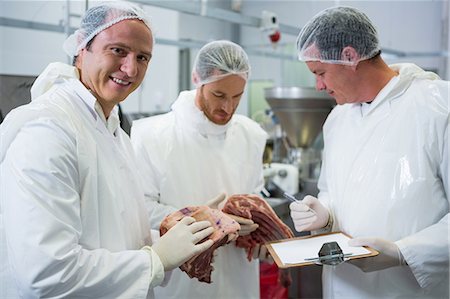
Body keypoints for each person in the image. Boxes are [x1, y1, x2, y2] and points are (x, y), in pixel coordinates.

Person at [0, 2, 215, 298]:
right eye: (118, 50)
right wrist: (155, 259)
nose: (130, 68)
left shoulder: (112, 132)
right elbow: (46, 273)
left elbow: (114, 231)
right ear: (81, 49)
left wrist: (174, 234)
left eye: (143, 57)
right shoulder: (48, 131)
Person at [289, 6, 449, 298]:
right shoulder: (337, 120)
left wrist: (404, 252)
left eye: (320, 72)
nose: (318, 85)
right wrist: (324, 214)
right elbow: (332, 191)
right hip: (340, 287)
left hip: (405, 289)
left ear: (350, 56)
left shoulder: (438, 107)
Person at [131, 40, 268, 299]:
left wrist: (255, 226)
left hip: (240, 279)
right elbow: (139, 210)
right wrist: (201, 219)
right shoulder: (151, 136)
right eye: (219, 95)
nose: (228, 107)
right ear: (197, 79)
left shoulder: (251, 135)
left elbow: (255, 194)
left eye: (237, 96)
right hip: (180, 283)